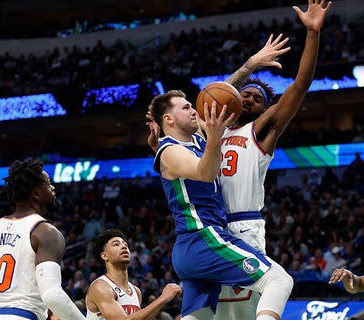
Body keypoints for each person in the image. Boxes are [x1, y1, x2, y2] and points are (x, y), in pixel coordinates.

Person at [214, 1, 331, 319]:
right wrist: (248, 68)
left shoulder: (261, 129)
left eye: (258, 99)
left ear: (265, 110)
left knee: (245, 311)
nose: (249, 98)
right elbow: (216, 94)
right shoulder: (213, 131)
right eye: (245, 95)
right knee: (216, 313)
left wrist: (311, 34)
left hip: (243, 225)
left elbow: (300, 85)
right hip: (209, 227)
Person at [149, 89, 293, 320]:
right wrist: (215, 137)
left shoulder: (193, 141)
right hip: (204, 238)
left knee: (201, 316)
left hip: (192, 247)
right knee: (280, 280)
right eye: (186, 107)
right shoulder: (171, 150)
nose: (194, 110)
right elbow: (205, 173)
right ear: (168, 118)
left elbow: (216, 95)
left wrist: (251, 64)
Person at [0, 158, 87, 320]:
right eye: (47, 183)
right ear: (36, 193)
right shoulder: (46, 232)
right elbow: (52, 295)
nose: (52, 187)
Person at [85, 228, 182, 319]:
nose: (123, 246)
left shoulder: (136, 291)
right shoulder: (100, 287)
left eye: (125, 245)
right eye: (116, 244)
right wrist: (163, 298)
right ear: (105, 256)